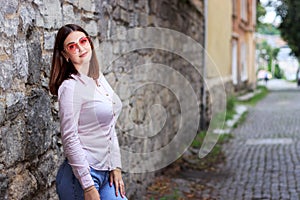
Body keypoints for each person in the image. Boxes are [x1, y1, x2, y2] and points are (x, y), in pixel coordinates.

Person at [49, 24, 127, 200]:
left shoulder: (98, 78)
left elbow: (109, 126)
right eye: (72, 46)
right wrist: (88, 186)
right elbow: (69, 138)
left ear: (90, 43)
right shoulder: (70, 87)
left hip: (106, 172)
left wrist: (116, 165)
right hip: (81, 178)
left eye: (83, 41)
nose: (80, 47)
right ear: (65, 55)